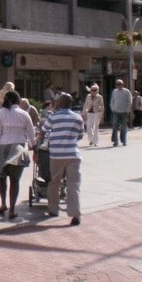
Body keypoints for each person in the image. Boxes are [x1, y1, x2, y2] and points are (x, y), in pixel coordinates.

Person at [0, 90, 35, 220]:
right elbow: (31, 134)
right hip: (19, 148)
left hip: (3, 148)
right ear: (18, 101)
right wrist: (35, 147)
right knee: (15, 180)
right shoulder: (24, 114)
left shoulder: (0, 113)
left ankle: (3, 204)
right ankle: (12, 210)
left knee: (1, 178)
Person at [43, 92, 84, 226]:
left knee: (54, 182)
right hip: (73, 154)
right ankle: (75, 214)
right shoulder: (78, 118)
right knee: (74, 184)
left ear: (59, 104)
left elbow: (44, 130)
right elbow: (80, 136)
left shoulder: (53, 117)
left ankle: (53, 209)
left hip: (56, 155)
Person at [110, 79, 132, 147]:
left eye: (120, 84)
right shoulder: (114, 91)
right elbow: (112, 100)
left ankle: (124, 141)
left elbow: (130, 101)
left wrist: (127, 109)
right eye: (117, 84)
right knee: (115, 127)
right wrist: (112, 108)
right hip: (116, 112)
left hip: (124, 112)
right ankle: (115, 141)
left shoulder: (127, 91)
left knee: (123, 127)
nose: (118, 85)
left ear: (123, 84)